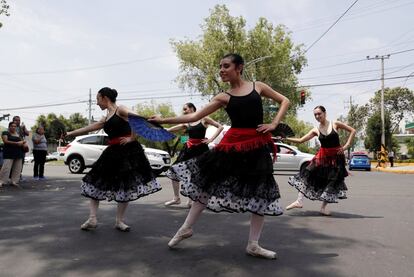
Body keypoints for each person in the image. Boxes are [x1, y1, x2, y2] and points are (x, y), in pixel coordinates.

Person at [150, 53, 290, 259]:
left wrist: (274, 124)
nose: (222, 70)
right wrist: (163, 120)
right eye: (220, 67)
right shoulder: (223, 97)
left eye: (226, 66)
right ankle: (186, 228)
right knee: (208, 183)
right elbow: (194, 116)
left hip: (257, 145)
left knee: (261, 191)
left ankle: (253, 244)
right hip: (232, 146)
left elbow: (284, 100)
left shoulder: (257, 86)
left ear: (239, 67)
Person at [64, 87, 161, 232]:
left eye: (97, 99)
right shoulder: (106, 117)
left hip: (128, 152)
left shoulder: (120, 110)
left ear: (105, 98)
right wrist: (70, 133)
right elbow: (90, 128)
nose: (97, 103)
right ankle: (92, 218)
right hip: (112, 152)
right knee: (94, 180)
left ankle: (119, 221)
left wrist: (132, 137)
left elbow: (137, 118)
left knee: (125, 185)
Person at [284, 106, 356, 215]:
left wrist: (346, 146)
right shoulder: (316, 130)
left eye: (319, 114)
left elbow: (353, 130)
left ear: (325, 113)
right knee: (307, 172)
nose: (317, 116)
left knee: (331, 181)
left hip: (336, 158)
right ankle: (299, 201)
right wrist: (285, 138)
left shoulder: (335, 124)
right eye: (315, 115)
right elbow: (300, 140)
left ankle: (323, 208)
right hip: (322, 157)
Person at [164, 102, 223, 208]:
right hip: (188, 150)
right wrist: (167, 130)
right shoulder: (188, 121)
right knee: (173, 171)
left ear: (192, 108)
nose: (184, 111)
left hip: (201, 150)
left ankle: (192, 200)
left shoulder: (204, 118)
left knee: (198, 175)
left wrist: (211, 139)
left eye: (185, 109)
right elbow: (180, 126)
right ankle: (176, 198)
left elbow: (220, 127)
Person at [0, 122, 27, 187]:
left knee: (17, 168)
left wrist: (23, 143)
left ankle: (14, 181)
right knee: (6, 168)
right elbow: (5, 141)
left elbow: (23, 141)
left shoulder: (18, 134)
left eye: (15, 126)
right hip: (9, 153)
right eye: (12, 126)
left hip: (19, 153)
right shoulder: (5, 133)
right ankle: (1, 181)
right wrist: (17, 143)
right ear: (9, 127)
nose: (13, 127)